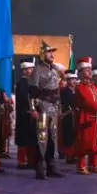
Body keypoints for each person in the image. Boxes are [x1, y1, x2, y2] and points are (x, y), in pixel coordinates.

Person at [30, 41, 66, 179]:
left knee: (53, 139)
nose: (52, 54)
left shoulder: (55, 70)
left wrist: (60, 109)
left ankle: (52, 168)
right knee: (42, 138)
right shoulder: (37, 70)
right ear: (42, 54)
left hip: (54, 108)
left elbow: (57, 92)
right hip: (42, 107)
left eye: (52, 52)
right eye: (49, 52)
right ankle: (40, 169)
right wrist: (33, 108)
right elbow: (32, 91)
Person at [72, 57, 97, 175]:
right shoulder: (80, 87)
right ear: (81, 72)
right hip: (87, 118)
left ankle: (93, 164)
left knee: (96, 142)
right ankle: (81, 165)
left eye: (90, 70)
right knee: (84, 142)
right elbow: (87, 101)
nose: (90, 72)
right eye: (87, 70)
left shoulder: (94, 86)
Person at [13, 58, 36, 170]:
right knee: (23, 139)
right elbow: (23, 99)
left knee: (31, 139)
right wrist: (30, 109)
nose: (32, 70)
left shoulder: (31, 82)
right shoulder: (22, 83)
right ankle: (22, 161)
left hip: (31, 114)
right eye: (30, 69)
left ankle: (31, 160)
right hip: (24, 114)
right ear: (24, 70)